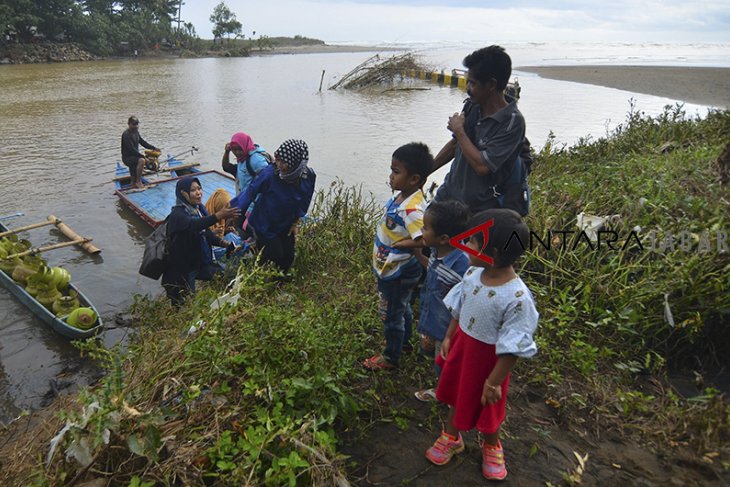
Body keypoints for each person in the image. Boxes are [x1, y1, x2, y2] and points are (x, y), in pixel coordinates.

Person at [424, 208, 538, 481]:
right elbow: (459, 308)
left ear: (493, 254)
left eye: (473, 241)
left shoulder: (517, 297)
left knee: (488, 407)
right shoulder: (473, 275)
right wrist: (451, 335)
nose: (466, 245)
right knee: (457, 394)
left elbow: (514, 346)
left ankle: (491, 445)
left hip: (489, 364)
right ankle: (452, 436)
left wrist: (494, 381)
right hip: (464, 348)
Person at [431, 45, 530, 216]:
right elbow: (456, 144)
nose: (467, 88)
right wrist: (427, 170)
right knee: (427, 238)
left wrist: (459, 130)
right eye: (467, 81)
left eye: (473, 83)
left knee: (460, 244)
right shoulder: (473, 106)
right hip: (448, 194)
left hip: (479, 209)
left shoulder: (512, 123)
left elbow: (482, 166)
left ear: (491, 84)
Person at [362, 142, 432, 371]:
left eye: (396, 171)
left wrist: (407, 243)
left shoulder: (412, 210)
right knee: (402, 307)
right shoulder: (405, 197)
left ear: (414, 179)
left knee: (391, 314)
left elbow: (425, 238)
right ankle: (405, 343)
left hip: (397, 269)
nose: (390, 176)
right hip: (395, 266)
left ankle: (391, 356)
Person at [413, 200, 470, 401]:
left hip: (448, 328)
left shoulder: (463, 264)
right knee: (434, 353)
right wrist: (419, 255)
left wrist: (450, 334)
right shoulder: (437, 250)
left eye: (426, 228)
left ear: (444, 238)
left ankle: (444, 392)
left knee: (444, 360)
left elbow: (466, 300)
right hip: (433, 319)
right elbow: (434, 269)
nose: (421, 230)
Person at [229, 139, 315, 272]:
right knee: (275, 253)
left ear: (295, 162)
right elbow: (250, 192)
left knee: (288, 256)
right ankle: (256, 273)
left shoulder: (307, 176)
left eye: (283, 162)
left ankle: (279, 282)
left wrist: (296, 221)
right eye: (277, 160)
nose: (278, 165)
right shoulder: (270, 174)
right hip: (265, 223)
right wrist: (233, 209)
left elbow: (305, 198)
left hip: (286, 221)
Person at [162, 177, 240, 306]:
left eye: (199, 188)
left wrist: (225, 244)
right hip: (181, 269)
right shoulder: (177, 215)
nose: (198, 193)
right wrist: (218, 216)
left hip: (199, 263)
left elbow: (206, 233)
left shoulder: (199, 209)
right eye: (193, 190)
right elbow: (194, 225)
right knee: (183, 304)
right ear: (183, 193)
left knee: (227, 275)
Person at [221, 132, 271, 199]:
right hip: (244, 201)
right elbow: (226, 167)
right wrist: (227, 152)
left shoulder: (256, 160)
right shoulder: (242, 161)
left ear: (245, 146)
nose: (237, 152)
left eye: (240, 149)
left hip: (256, 204)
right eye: (234, 150)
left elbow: (269, 180)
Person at [121, 116, 159, 189]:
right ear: (129, 124)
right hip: (127, 158)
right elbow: (131, 149)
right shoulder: (126, 135)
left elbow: (142, 142)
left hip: (134, 156)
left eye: (137, 124)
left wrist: (153, 148)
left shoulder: (136, 132)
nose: (136, 126)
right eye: (134, 124)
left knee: (138, 163)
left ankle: (133, 183)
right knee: (142, 160)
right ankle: (138, 181)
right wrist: (143, 157)